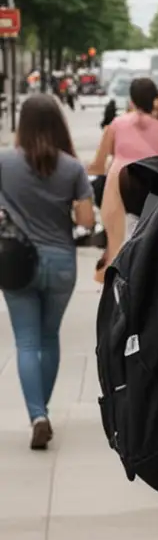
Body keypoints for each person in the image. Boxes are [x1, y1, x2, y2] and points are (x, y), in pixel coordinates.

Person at [0, 95, 94, 449]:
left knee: (25, 340)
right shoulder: (71, 167)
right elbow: (86, 221)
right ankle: (44, 409)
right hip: (60, 263)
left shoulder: (5, 162)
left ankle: (37, 415)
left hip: (15, 262)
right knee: (49, 337)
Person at [89, 76, 158, 269]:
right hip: (152, 184)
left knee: (115, 245)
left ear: (131, 99)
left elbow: (99, 162)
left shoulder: (117, 124)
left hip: (119, 182)